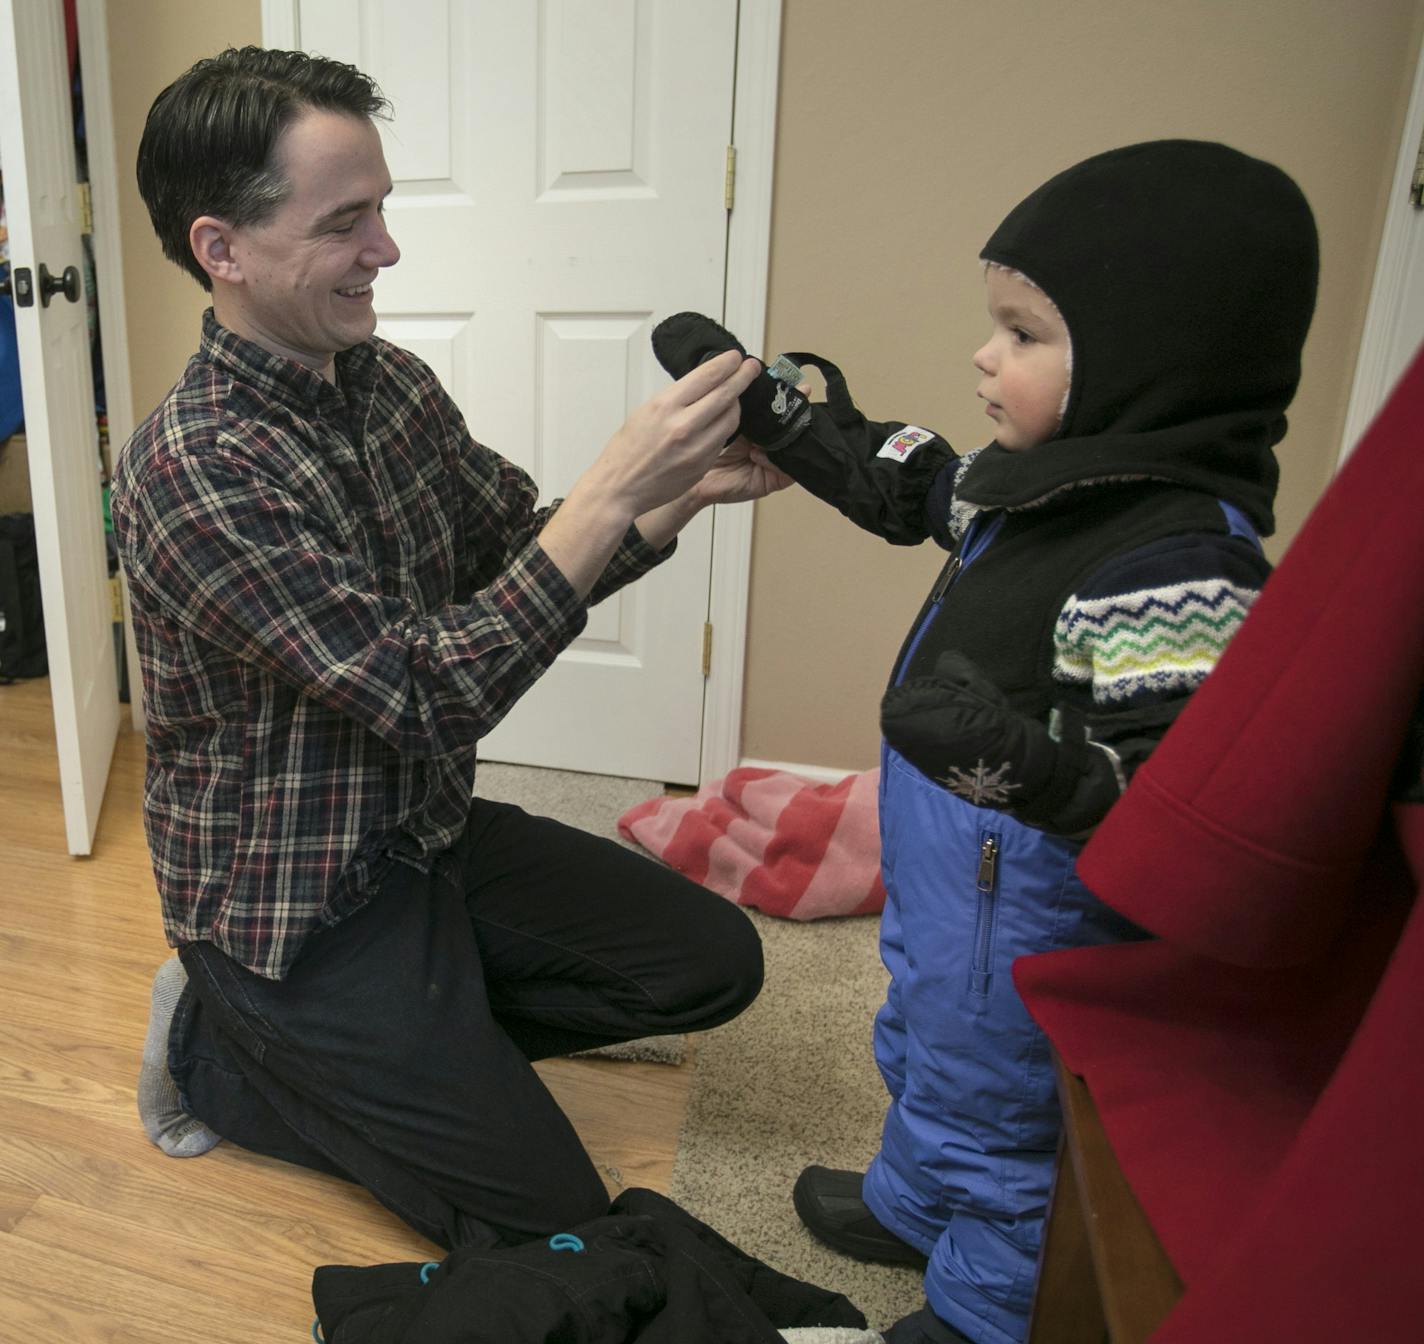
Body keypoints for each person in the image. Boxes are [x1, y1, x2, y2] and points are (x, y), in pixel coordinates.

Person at [112, 45, 788, 1253]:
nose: (387, 250)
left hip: (420, 837)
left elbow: (513, 554)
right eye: (346, 221)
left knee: (708, 965)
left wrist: (671, 494)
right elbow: (426, 692)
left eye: (384, 208)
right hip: (293, 908)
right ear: (223, 247)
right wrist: (607, 492)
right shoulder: (195, 472)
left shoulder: (389, 388)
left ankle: (376, 1053)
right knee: (558, 1235)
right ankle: (225, 1053)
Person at [652, 139, 1318, 1343]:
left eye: (1023, 333)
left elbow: (1182, 808)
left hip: (1032, 891)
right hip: (950, 866)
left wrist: (1022, 768)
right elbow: (905, 488)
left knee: (1000, 1100)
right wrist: (783, 416)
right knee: (919, 1032)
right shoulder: (1038, 477)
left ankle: (985, 1310)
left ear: (1153, 361)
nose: (982, 353)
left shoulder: (1174, 560)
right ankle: (914, 1204)